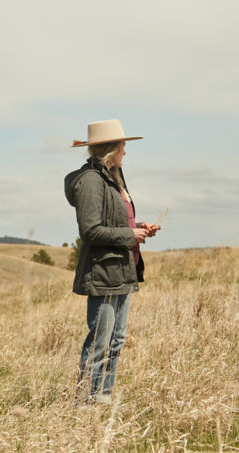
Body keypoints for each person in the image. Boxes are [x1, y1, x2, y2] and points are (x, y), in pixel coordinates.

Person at [63, 119, 160, 405]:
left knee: (115, 341)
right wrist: (129, 234)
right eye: (123, 147)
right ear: (111, 149)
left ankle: (102, 397)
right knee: (100, 342)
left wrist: (139, 226)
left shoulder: (113, 176)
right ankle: (84, 402)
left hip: (122, 270)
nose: (125, 153)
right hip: (103, 272)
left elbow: (116, 221)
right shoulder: (92, 181)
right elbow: (90, 230)